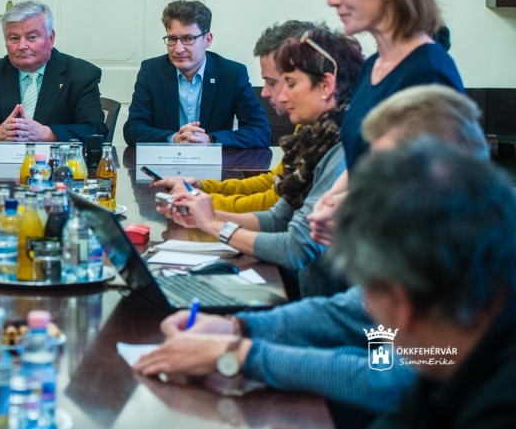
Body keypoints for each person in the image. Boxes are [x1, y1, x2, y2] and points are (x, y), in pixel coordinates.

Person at [133, 85, 488, 424]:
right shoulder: (433, 233)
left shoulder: (476, 263)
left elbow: (387, 377)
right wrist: (237, 327)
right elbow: (348, 313)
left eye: (384, 173)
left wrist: (239, 354)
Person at [158, 28, 363, 297]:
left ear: (326, 85)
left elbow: (295, 247)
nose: (278, 95)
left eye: (289, 83)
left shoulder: (341, 146)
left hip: (319, 301)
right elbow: (278, 219)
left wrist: (213, 224)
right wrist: (202, 212)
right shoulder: (318, 136)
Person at [334, 140, 516, 428]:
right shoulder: (447, 355)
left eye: (364, 289)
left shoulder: (497, 410)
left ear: (401, 303)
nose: (364, 306)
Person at [324, 0, 463, 170]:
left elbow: (429, 182)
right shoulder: (372, 66)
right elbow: (360, 161)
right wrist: (333, 192)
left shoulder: (428, 74)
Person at [153, 20, 316, 213]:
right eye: (172, 39)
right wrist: (203, 187)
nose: (264, 92)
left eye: (273, 82)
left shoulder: (332, 134)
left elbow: (275, 202)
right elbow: (273, 181)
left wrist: (201, 202)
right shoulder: (308, 126)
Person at [123, 0, 271, 148]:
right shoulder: (151, 71)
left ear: (208, 40)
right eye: (172, 39)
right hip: (164, 160)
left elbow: (261, 131)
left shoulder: (231, 73)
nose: (178, 49)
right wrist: (174, 139)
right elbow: (133, 129)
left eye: (188, 39)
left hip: (214, 161)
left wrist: (210, 140)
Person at [0, 0, 106, 143]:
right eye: (14, 38)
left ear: (51, 38)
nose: (22, 46)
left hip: (55, 161)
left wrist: (46, 133)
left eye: (32, 37)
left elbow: (94, 130)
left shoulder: (81, 75)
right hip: (1, 161)